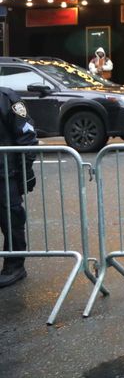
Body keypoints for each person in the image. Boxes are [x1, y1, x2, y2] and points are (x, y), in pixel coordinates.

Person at [0, 87, 38, 288]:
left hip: (4, 174)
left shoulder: (6, 98)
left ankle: (15, 266)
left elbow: (26, 136)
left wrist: (26, 171)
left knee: (11, 219)